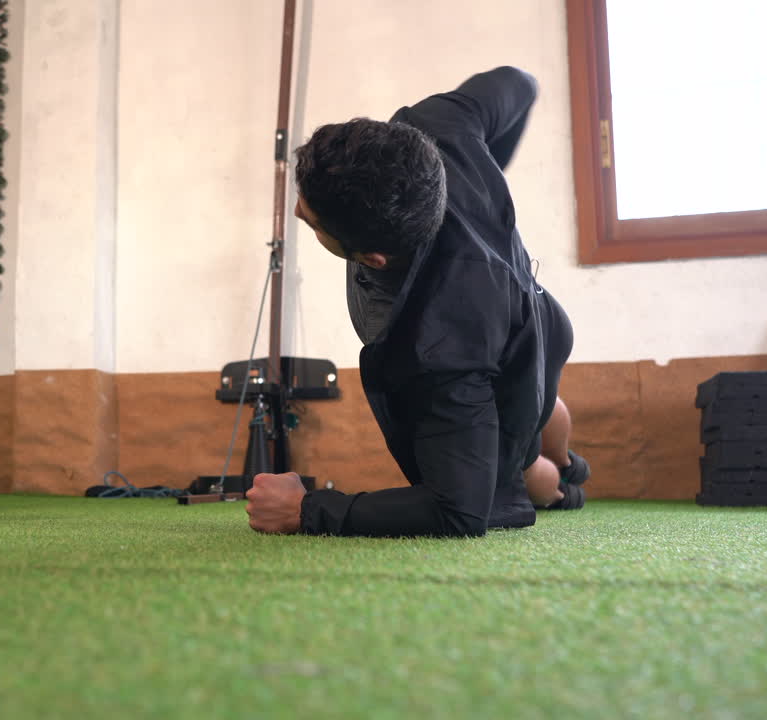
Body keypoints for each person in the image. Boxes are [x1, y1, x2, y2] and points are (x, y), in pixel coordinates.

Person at [245, 66, 589, 537]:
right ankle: (568, 455)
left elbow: (459, 510)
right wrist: (484, 167)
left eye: (312, 220)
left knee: (522, 468)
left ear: (374, 259)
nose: (300, 207)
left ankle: (565, 483)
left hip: (508, 330)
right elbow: (520, 81)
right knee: (541, 392)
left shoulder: (439, 348)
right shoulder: (438, 127)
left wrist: (305, 510)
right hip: (537, 316)